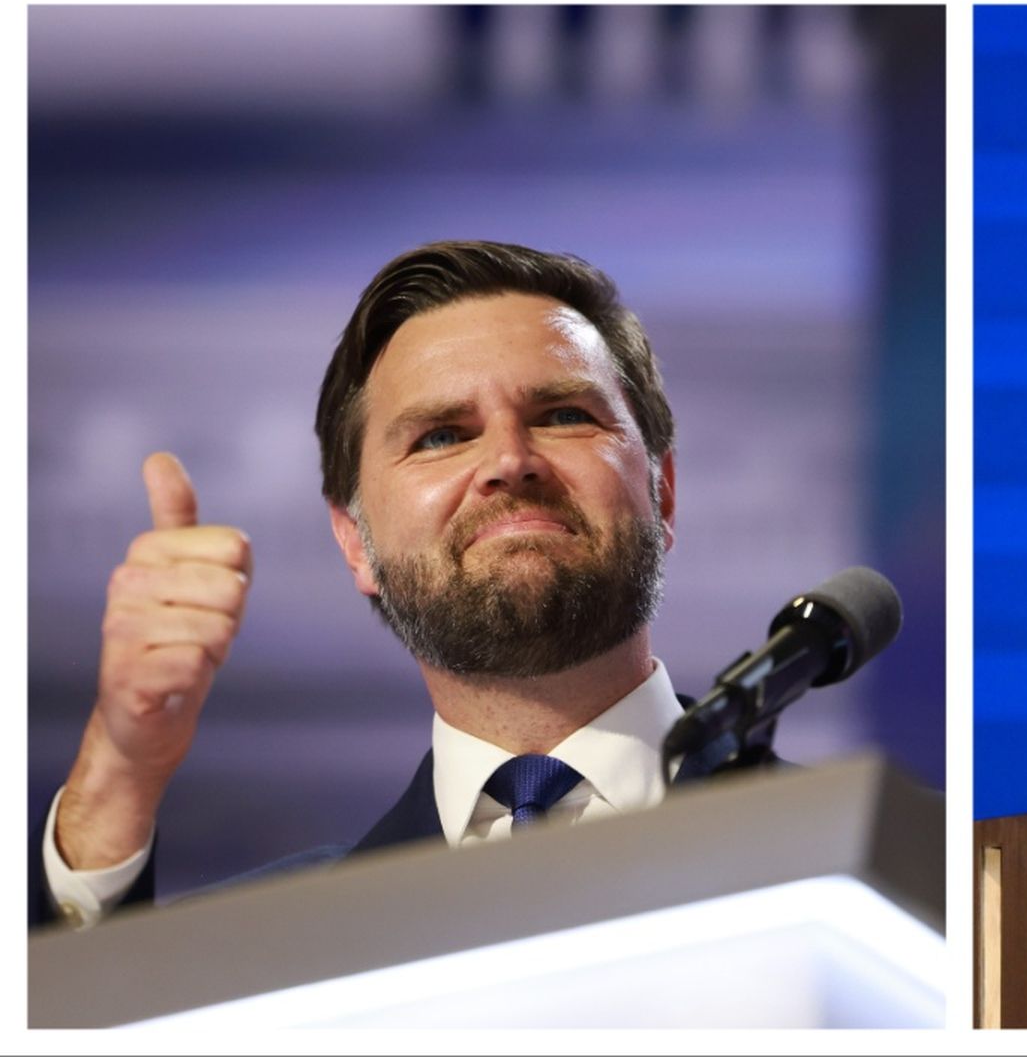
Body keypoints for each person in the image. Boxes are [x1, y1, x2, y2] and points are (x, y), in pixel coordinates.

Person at [32, 240, 750, 929]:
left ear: (663, 493)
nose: (509, 459)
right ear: (356, 542)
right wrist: (116, 776)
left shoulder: (852, 862)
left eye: (563, 415)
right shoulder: (268, 944)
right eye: (440, 435)